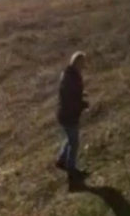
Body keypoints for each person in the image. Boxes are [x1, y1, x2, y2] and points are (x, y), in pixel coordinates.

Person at [55, 51, 90, 187]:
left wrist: (81, 96)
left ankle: (61, 160)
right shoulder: (73, 77)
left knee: (69, 138)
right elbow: (71, 98)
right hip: (69, 115)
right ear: (78, 63)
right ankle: (71, 170)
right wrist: (82, 103)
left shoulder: (69, 75)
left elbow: (70, 94)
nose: (83, 67)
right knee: (74, 143)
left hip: (65, 113)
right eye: (83, 64)